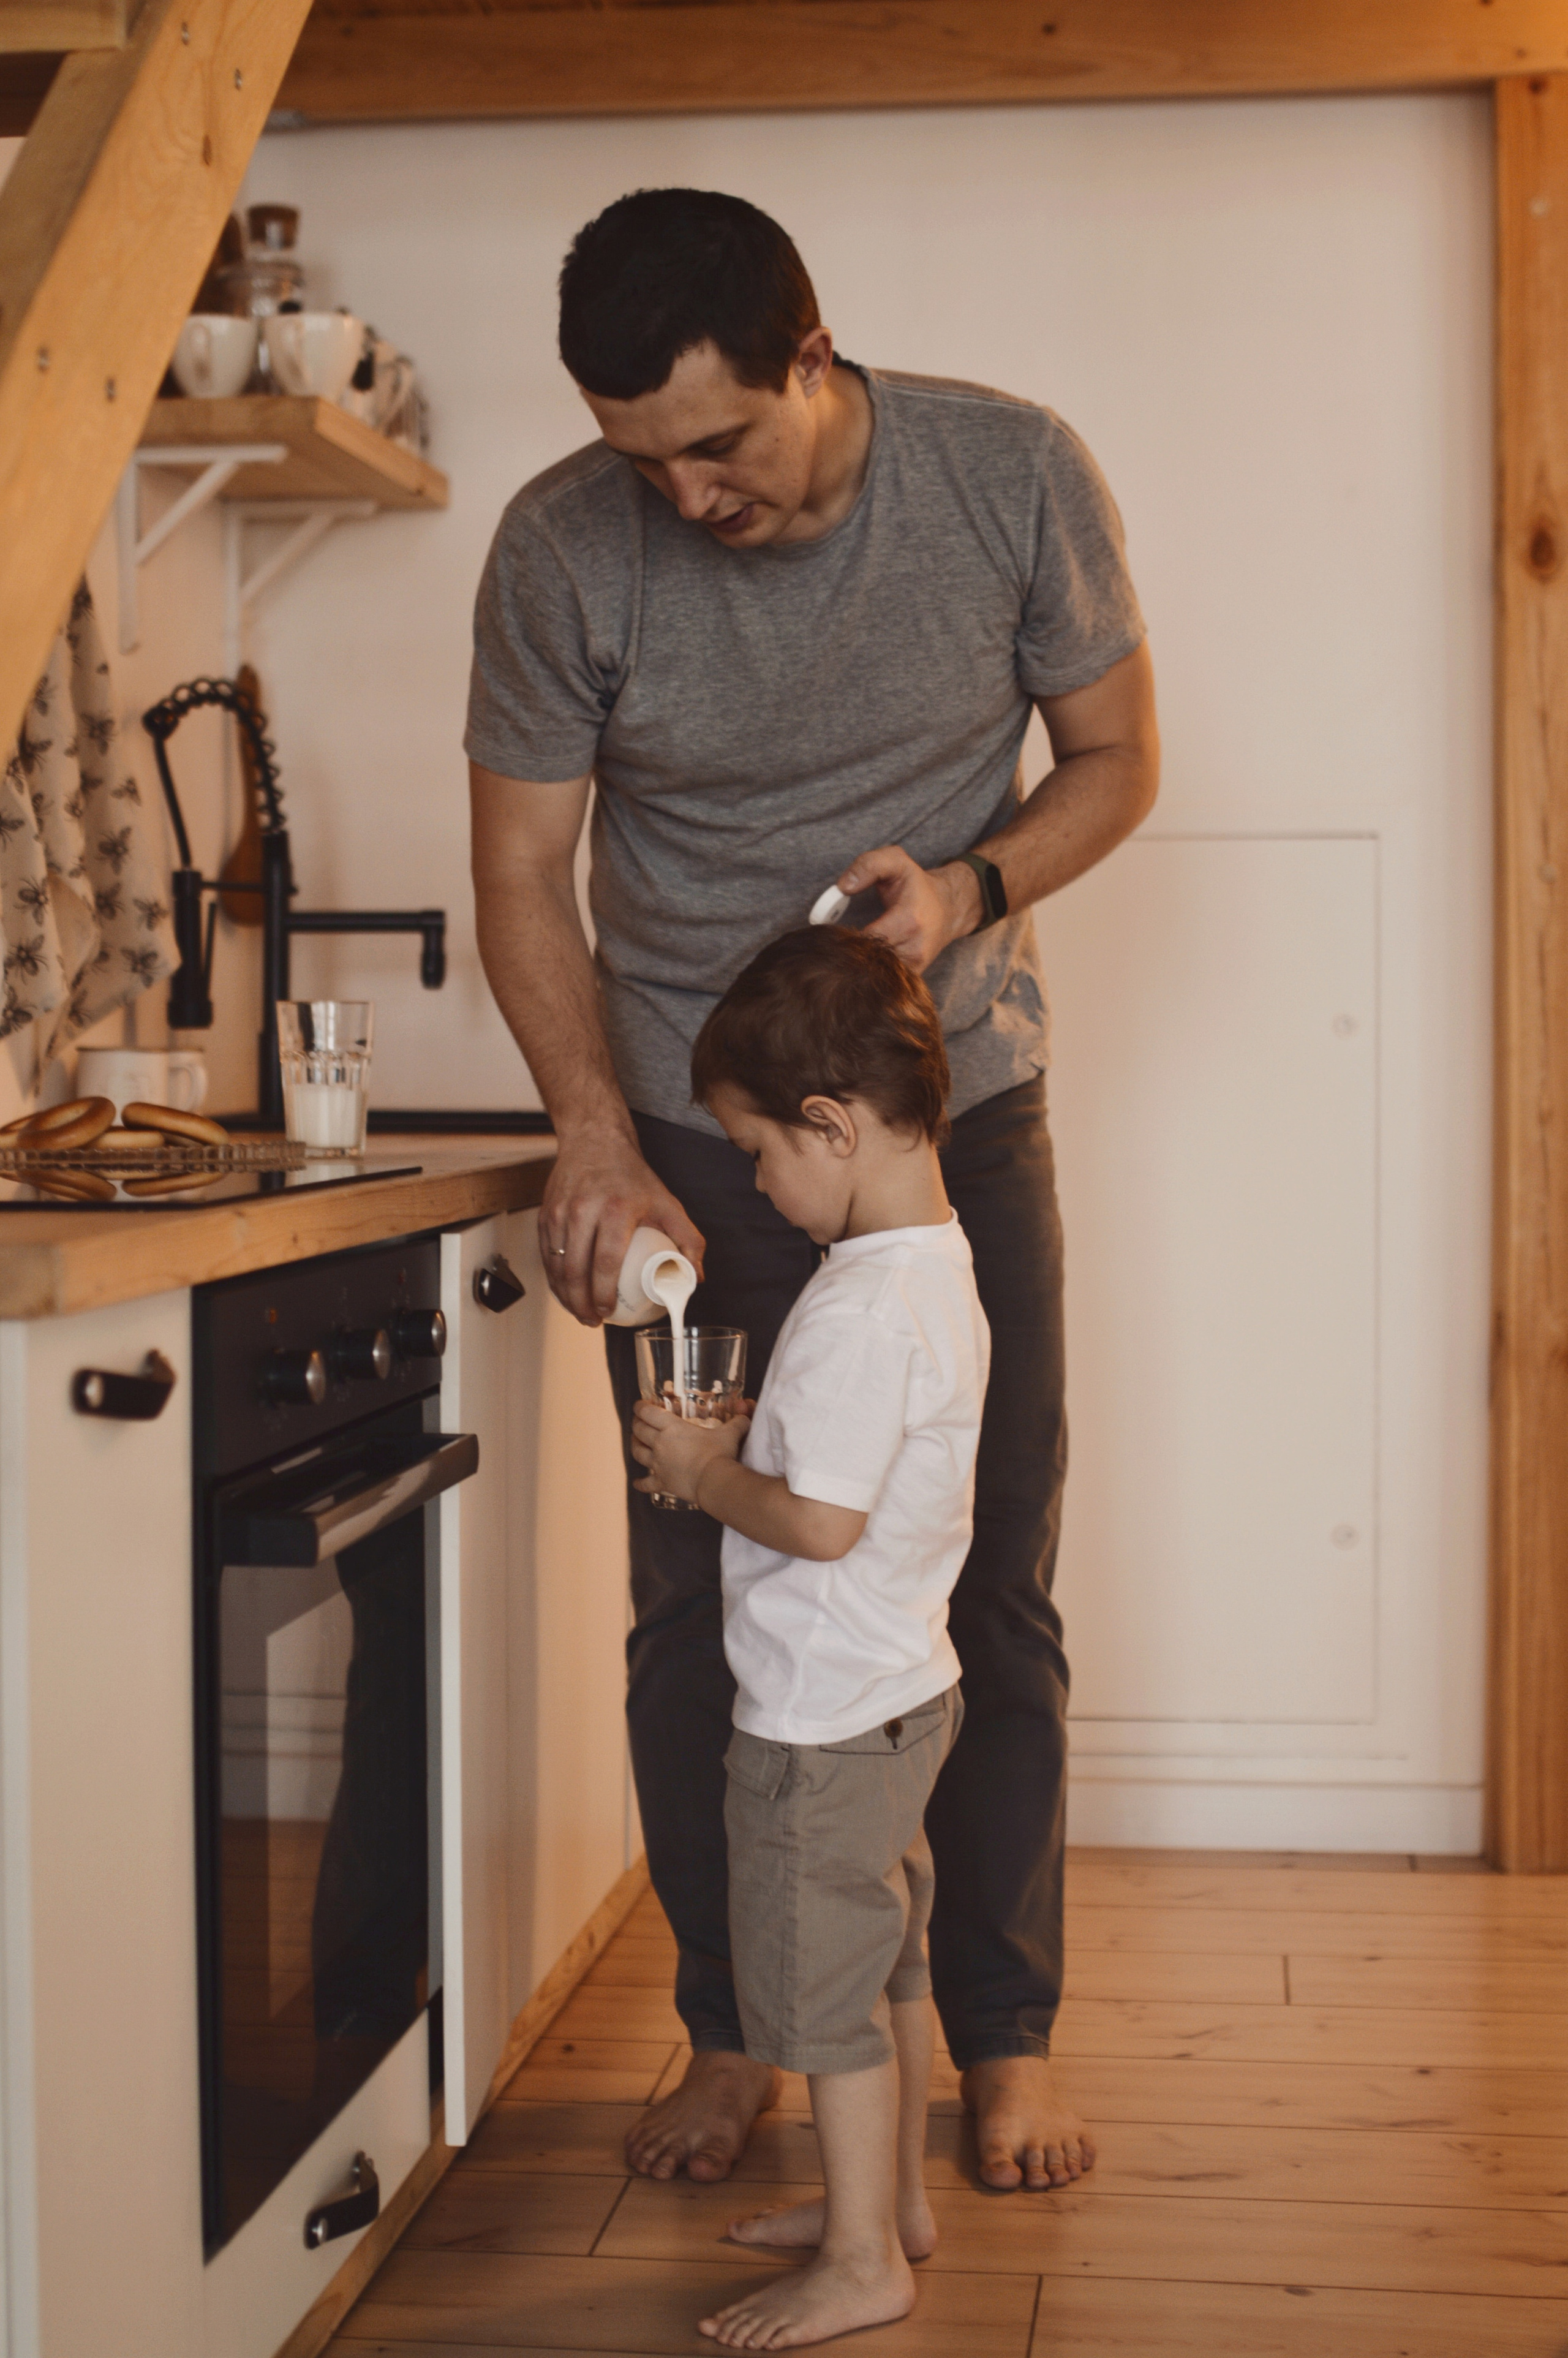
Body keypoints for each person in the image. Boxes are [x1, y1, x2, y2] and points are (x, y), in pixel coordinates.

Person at [467, 186, 1159, 2193]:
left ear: (813, 356)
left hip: (962, 1124)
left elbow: (1118, 757)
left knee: (974, 1570)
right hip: (694, 1135)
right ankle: (740, 2024)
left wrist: (974, 888)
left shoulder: (1009, 474)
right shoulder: (556, 547)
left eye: (720, 444)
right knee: (706, 1588)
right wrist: (596, 1132)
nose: (682, 496)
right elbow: (523, 876)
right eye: (638, 458)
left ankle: (1002, 2034)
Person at [631, 925, 987, 2351]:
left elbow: (818, 1523)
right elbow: (854, 1482)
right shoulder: (935, 1269)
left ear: (830, 1124)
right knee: (887, 1954)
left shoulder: (850, 1309)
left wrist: (699, 1470)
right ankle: (886, 2203)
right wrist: (741, 1455)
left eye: (760, 1151)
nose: (760, 1183)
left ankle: (858, 2259)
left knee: (823, 1992)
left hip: (818, 1717)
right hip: (905, 1684)